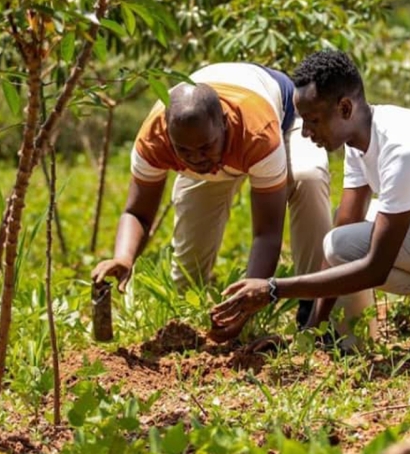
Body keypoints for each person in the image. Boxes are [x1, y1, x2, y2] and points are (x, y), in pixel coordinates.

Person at [211, 50, 410, 351]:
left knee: (357, 244)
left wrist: (273, 289)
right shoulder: (363, 137)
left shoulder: (404, 150)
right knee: (347, 236)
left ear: (344, 108)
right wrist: (310, 333)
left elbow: (375, 268)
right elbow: (340, 237)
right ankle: (346, 337)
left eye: (313, 120)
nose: (307, 132)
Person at [92, 62, 332, 341]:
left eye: (204, 147)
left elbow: (266, 234)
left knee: (308, 177)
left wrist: (246, 307)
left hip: (283, 122)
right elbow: (137, 212)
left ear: (224, 124)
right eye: (184, 150)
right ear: (168, 134)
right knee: (189, 267)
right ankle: (189, 317)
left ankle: (315, 309)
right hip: (224, 141)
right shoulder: (155, 138)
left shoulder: (257, 133)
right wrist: (124, 257)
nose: (196, 158)